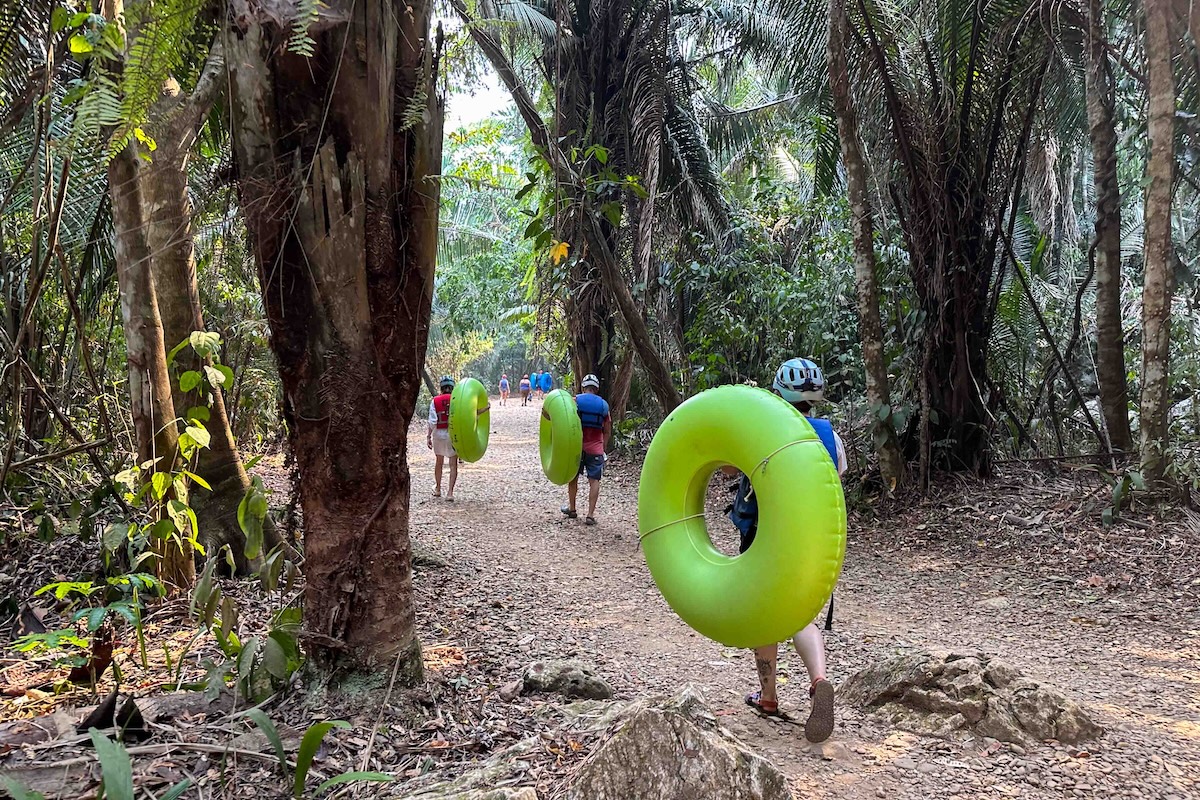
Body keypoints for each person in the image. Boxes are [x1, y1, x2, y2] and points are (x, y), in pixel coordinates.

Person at [732, 357, 846, 743]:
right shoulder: (830, 436)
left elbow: (729, 470)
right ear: (815, 399)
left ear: (778, 392)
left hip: (764, 538)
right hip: (811, 543)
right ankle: (819, 680)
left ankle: (768, 697)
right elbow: (836, 479)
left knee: (766, 617)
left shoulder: (762, 431)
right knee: (800, 615)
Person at [560, 373, 611, 525]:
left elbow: (564, 419)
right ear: (597, 388)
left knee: (573, 478)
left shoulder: (575, 401)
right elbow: (607, 430)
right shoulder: (604, 405)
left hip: (577, 448)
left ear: (583, 387)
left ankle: (573, 509)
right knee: (594, 480)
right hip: (595, 449)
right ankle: (590, 515)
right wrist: (603, 448)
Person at [427, 375, 459, 501]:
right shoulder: (458, 400)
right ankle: (450, 493)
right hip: (453, 434)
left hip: (438, 435)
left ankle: (438, 488)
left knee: (439, 462)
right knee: (453, 464)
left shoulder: (435, 401)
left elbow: (432, 421)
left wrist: (428, 436)